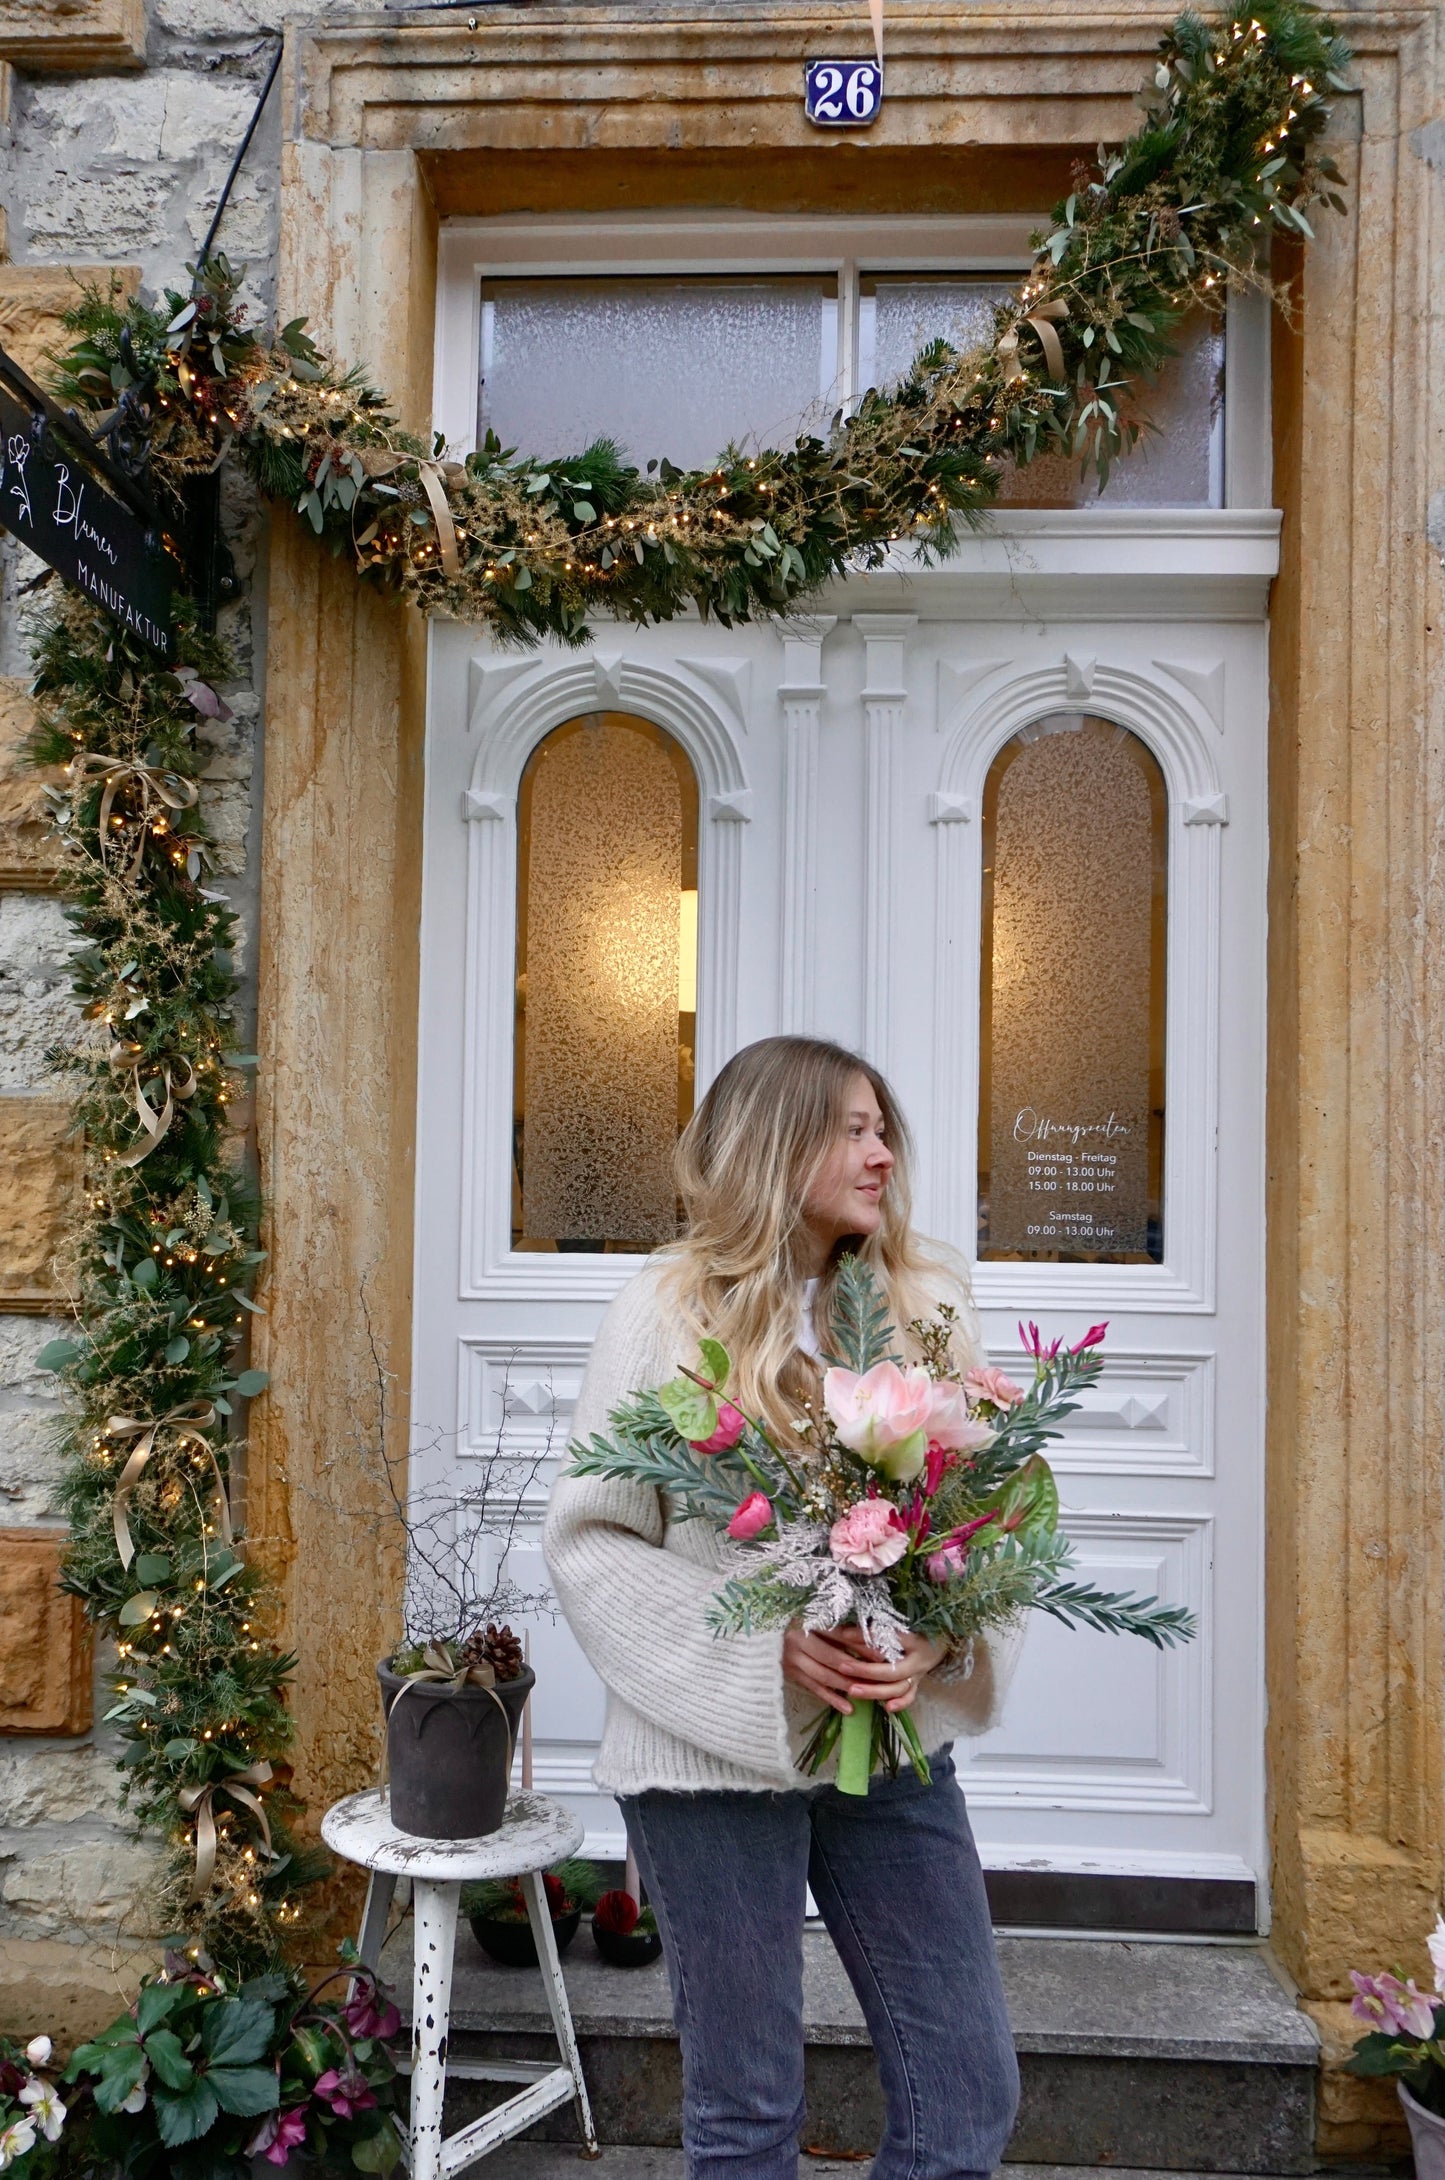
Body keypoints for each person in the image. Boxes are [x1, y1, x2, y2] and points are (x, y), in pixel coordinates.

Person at [544, 1035, 1020, 2180]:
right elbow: (591, 1541)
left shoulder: (926, 1301)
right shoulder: (662, 1312)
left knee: (966, 2093)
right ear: (773, 1143)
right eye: (850, 1128)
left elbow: (985, 1516)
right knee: (747, 2111)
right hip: (711, 1762)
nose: (881, 1151)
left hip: (890, 1743)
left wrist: (933, 1636)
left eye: (882, 1126)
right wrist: (770, 1644)